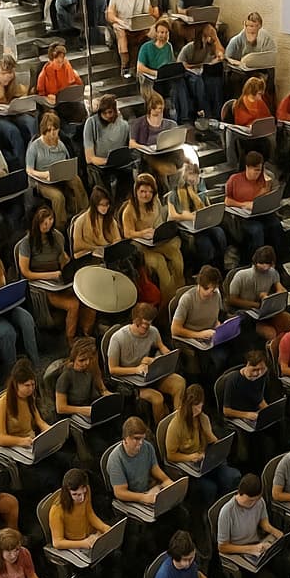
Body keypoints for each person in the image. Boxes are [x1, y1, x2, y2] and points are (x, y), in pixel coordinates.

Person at [19, 204, 91, 342]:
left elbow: (63, 257)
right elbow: (26, 272)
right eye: (44, 222)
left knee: (86, 295)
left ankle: (85, 332)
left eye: (50, 220)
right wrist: (50, 275)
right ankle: (70, 339)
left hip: (59, 279)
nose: (48, 224)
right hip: (42, 284)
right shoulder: (27, 243)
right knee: (73, 304)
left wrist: (70, 267)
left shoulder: (57, 236)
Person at [107, 302, 186, 421]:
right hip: (131, 381)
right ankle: (161, 428)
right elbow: (112, 369)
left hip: (149, 373)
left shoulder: (153, 331)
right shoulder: (118, 338)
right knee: (158, 398)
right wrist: (136, 369)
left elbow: (161, 346)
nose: (147, 328)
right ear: (136, 321)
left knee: (179, 382)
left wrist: (166, 356)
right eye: (145, 325)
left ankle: (178, 421)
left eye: (149, 324)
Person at [164, 383, 241, 501]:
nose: (198, 410)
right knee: (210, 488)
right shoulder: (176, 425)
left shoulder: (203, 418)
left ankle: (223, 506)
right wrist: (189, 457)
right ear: (186, 405)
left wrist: (210, 435)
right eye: (195, 407)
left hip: (205, 460)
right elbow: (171, 455)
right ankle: (206, 512)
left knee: (232, 476)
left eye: (200, 406)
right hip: (189, 466)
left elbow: (212, 441)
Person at [124, 170, 184, 304]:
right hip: (140, 244)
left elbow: (158, 221)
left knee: (176, 256)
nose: (147, 195)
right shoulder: (129, 210)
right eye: (143, 191)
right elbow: (127, 233)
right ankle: (168, 302)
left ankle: (180, 291)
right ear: (136, 191)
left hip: (155, 240)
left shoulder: (155, 201)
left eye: (150, 192)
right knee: (160, 263)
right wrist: (143, 232)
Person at [27, 111, 88, 226]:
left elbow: (67, 160)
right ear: (43, 131)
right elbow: (29, 170)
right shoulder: (35, 147)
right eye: (49, 130)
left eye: (55, 130)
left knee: (77, 182)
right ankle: (61, 226)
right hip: (43, 181)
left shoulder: (60, 144)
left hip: (59, 176)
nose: (52, 133)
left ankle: (83, 214)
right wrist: (44, 174)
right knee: (58, 197)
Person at [171, 265, 228, 371]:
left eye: (213, 289)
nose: (209, 293)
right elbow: (175, 329)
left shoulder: (216, 295)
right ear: (199, 284)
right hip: (190, 337)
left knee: (223, 357)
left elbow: (215, 316)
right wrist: (199, 334)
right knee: (197, 365)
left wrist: (218, 325)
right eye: (206, 288)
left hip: (209, 335)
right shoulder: (187, 299)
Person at [106, 0, 152, 75]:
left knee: (153, 31)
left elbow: (147, 12)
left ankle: (142, 65)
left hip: (138, 23)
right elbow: (110, 15)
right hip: (122, 23)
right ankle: (124, 65)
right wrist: (118, 20)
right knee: (120, 33)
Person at [179, 22, 225, 122]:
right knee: (198, 81)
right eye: (206, 36)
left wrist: (215, 38)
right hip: (188, 73)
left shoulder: (209, 46)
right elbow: (181, 65)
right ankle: (204, 112)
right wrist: (198, 65)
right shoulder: (189, 48)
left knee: (215, 82)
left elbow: (220, 53)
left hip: (203, 72)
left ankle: (217, 115)